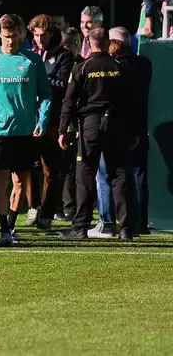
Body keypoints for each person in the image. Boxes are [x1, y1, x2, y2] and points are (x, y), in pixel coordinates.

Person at [0, 15, 51, 247]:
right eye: (6, 37)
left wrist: (43, 119)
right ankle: (4, 229)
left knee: (20, 180)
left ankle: (11, 226)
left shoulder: (33, 61)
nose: (10, 41)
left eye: (14, 36)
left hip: (25, 131)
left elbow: (45, 93)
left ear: (22, 35)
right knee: (1, 177)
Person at [58, 27, 137, 241]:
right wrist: (134, 130)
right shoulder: (120, 67)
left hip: (90, 125)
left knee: (84, 176)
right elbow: (133, 102)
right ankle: (125, 228)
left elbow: (69, 101)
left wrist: (63, 129)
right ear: (108, 42)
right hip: (117, 124)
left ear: (90, 41)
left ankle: (80, 227)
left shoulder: (82, 67)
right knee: (120, 175)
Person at [26, 14, 75, 228]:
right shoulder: (27, 53)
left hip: (52, 120)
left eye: (43, 35)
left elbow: (62, 84)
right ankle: (33, 207)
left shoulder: (64, 56)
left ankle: (47, 212)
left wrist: (36, 80)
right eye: (36, 35)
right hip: (28, 118)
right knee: (27, 167)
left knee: (50, 169)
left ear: (51, 33)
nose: (39, 39)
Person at [108, 28, 152, 235]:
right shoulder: (144, 64)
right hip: (139, 123)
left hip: (120, 126)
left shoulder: (117, 67)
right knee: (138, 173)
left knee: (117, 175)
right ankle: (140, 221)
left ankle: (118, 221)